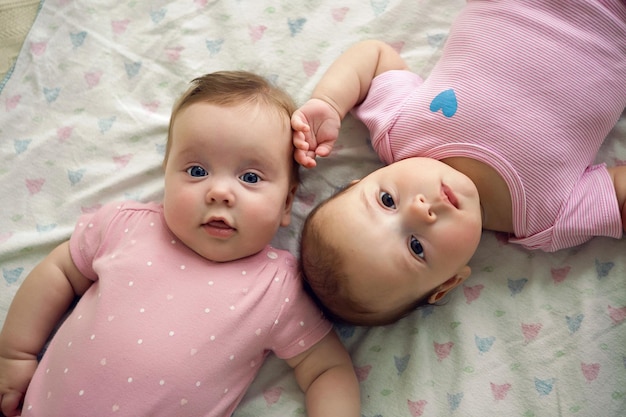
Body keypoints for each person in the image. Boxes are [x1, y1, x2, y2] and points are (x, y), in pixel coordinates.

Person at [0, 71, 360, 417]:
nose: (219, 192)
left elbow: (325, 370)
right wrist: (14, 356)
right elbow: (59, 271)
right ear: (166, 174)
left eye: (250, 177)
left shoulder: (277, 289)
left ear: (285, 204)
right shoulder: (125, 228)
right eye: (197, 171)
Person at [291, 0, 626, 326]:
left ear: (363, 180)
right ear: (448, 282)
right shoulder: (546, 218)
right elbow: (617, 195)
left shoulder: (400, 131)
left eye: (387, 201)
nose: (420, 210)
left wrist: (329, 102)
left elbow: (374, 57)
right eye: (416, 247)